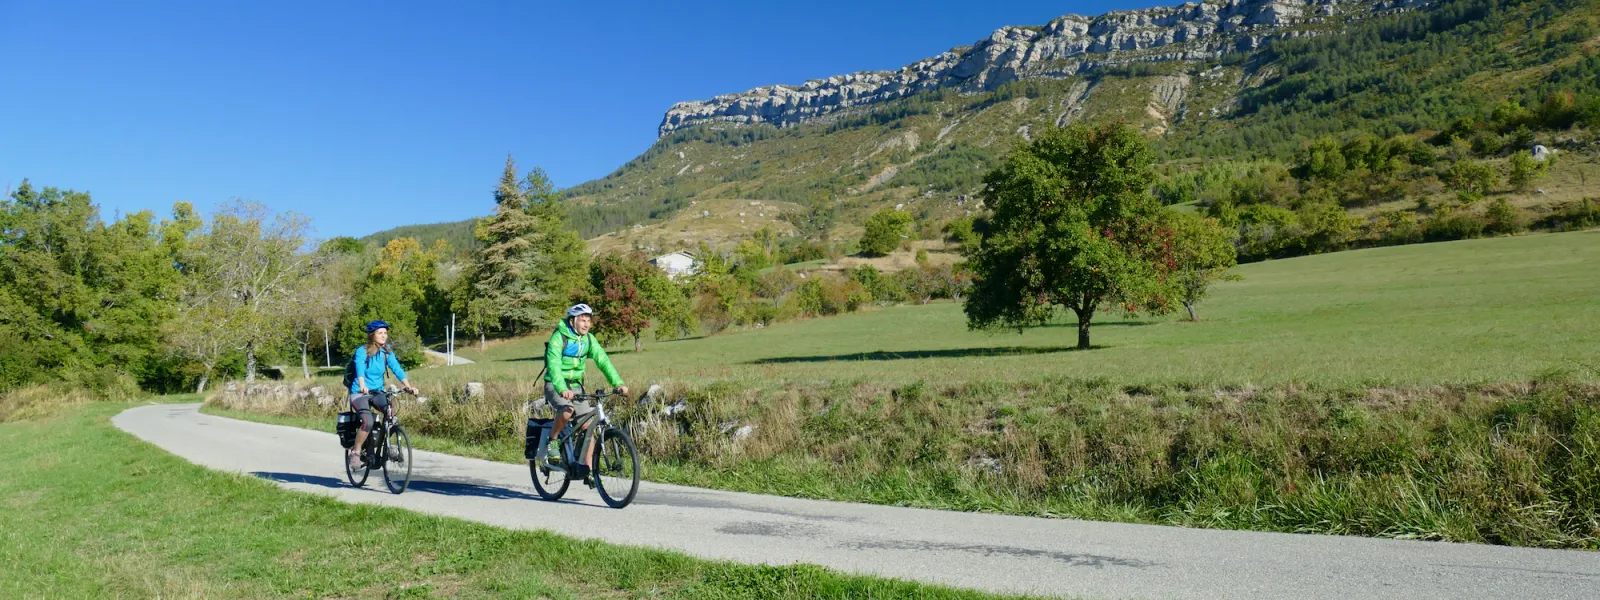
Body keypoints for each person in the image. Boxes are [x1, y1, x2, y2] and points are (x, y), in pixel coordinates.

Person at [544, 303, 628, 482]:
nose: (586, 324)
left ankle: (587, 470)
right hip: (555, 384)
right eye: (583, 320)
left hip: (575, 386)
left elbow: (603, 360)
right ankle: (553, 440)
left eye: (588, 320)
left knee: (588, 426)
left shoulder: (589, 339)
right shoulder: (559, 338)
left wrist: (618, 383)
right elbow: (554, 366)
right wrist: (562, 389)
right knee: (567, 411)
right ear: (573, 321)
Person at [348, 320, 418, 470]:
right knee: (368, 421)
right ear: (372, 335)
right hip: (359, 393)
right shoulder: (362, 351)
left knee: (389, 412)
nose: (384, 336)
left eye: (385, 333)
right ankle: (356, 451)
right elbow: (359, 368)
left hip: (377, 391)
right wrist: (362, 385)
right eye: (380, 333)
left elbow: (397, 369)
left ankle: (388, 444)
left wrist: (408, 386)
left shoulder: (387, 352)